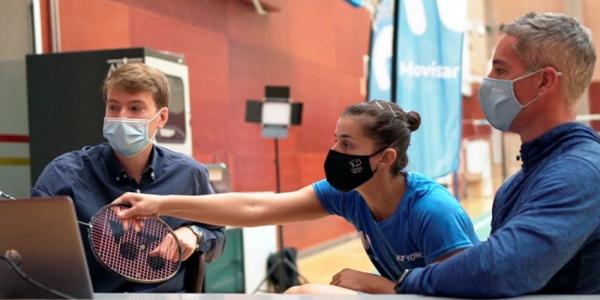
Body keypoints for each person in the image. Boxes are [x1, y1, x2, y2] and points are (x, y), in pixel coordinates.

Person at [112, 100, 480, 294]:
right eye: (335, 139)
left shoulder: (433, 210)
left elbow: (463, 294)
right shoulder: (348, 194)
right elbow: (257, 206)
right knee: (296, 294)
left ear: (385, 158)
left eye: (347, 144)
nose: (334, 151)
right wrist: (161, 204)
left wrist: (378, 285)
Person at [394, 12, 600, 297]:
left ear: (544, 82)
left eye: (500, 71)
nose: (488, 81)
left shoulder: (583, 171)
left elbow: (496, 271)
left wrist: (403, 283)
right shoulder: (517, 184)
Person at [31, 63, 225, 293]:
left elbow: (217, 234)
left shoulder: (190, 175)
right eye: (114, 107)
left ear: (161, 118)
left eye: (135, 108)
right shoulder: (64, 174)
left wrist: (195, 234)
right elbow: (32, 244)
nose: (121, 117)